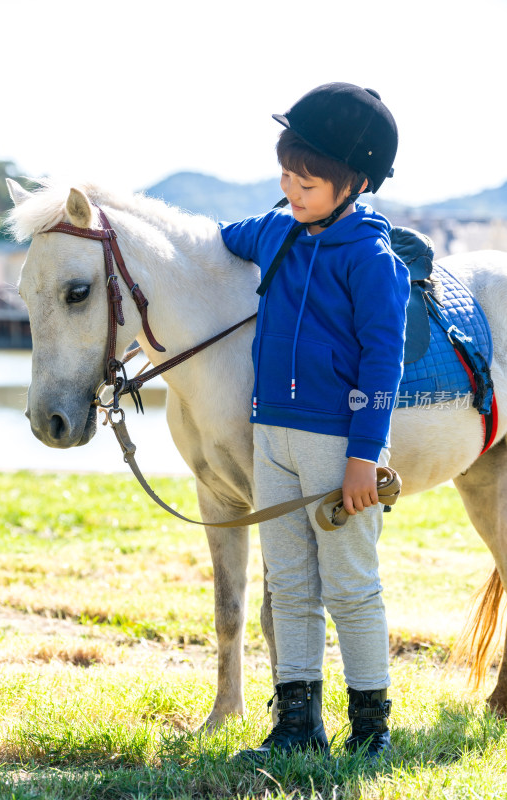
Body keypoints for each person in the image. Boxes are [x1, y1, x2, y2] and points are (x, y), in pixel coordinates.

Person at [219, 83, 410, 762]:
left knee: (352, 586)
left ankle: (372, 731)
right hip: (270, 435)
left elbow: (382, 360)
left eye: (308, 181)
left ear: (353, 182)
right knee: (290, 585)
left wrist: (366, 455)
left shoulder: (370, 258)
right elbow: (214, 240)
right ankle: (297, 728)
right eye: (286, 177)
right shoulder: (275, 232)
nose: (292, 191)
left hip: (338, 444)